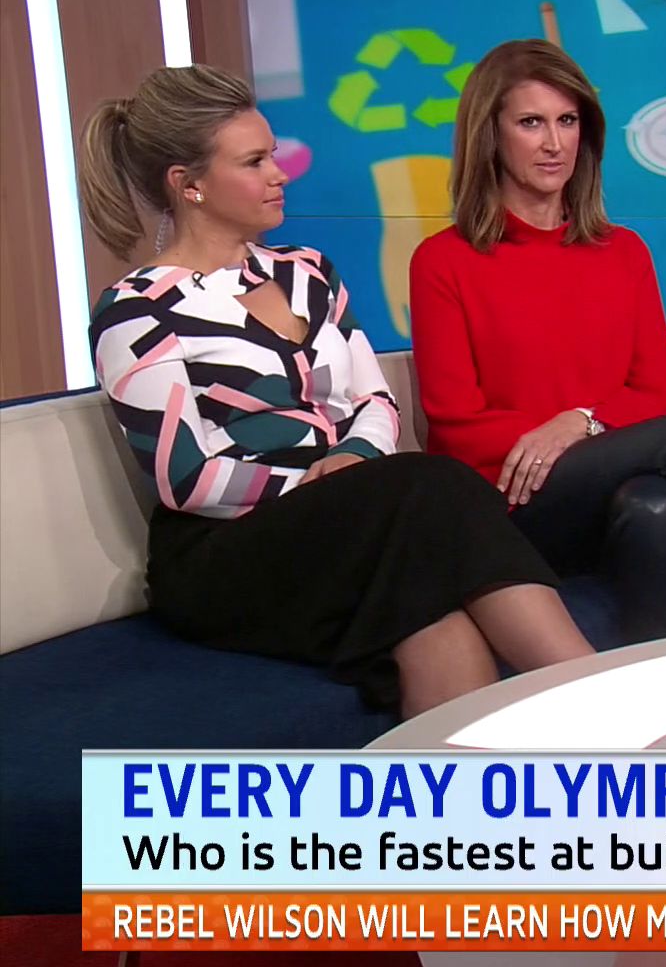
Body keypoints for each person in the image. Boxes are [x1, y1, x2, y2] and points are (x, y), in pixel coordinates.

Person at [81, 65, 594, 718]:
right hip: (228, 548)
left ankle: (466, 779)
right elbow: (185, 479)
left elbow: (376, 403)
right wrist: (321, 486)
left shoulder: (309, 273)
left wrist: (352, 460)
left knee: (432, 604)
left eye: (273, 154)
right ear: (189, 185)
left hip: (352, 520)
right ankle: (598, 698)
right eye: (255, 162)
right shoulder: (137, 311)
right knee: (432, 484)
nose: (280, 173)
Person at [411, 40, 666, 641]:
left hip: (612, 494)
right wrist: (562, 436)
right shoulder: (444, 261)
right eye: (531, 123)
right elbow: (455, 422)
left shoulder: (624, 252)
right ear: (490, 135)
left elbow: (662, 396)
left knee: (653, 507)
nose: (554, 143)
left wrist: (579, 423)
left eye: (567, 121)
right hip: (511, 502)